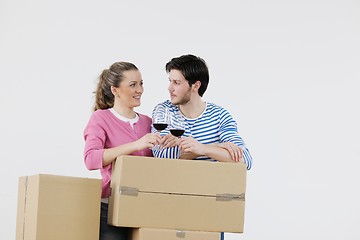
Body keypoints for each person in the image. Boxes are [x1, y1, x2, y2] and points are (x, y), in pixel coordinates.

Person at [152, 54, 252, 240]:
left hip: (210, 207)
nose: (170, 88)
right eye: (170, 81)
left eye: (176, 82)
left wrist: (202, 149)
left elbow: (243, 160)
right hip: (171, 204)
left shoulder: (220, 116)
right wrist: (216, 146)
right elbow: (163, 160)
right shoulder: (164, 111)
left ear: (195, 86)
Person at [83, 61, 161, 240]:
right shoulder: (100, 118)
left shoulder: (149, 122)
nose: (139, 90)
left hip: (145, 205)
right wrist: (135, 145)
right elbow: (90, 159)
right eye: (133, 85)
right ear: (115, 90)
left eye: (141, 83)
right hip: (111, 205)